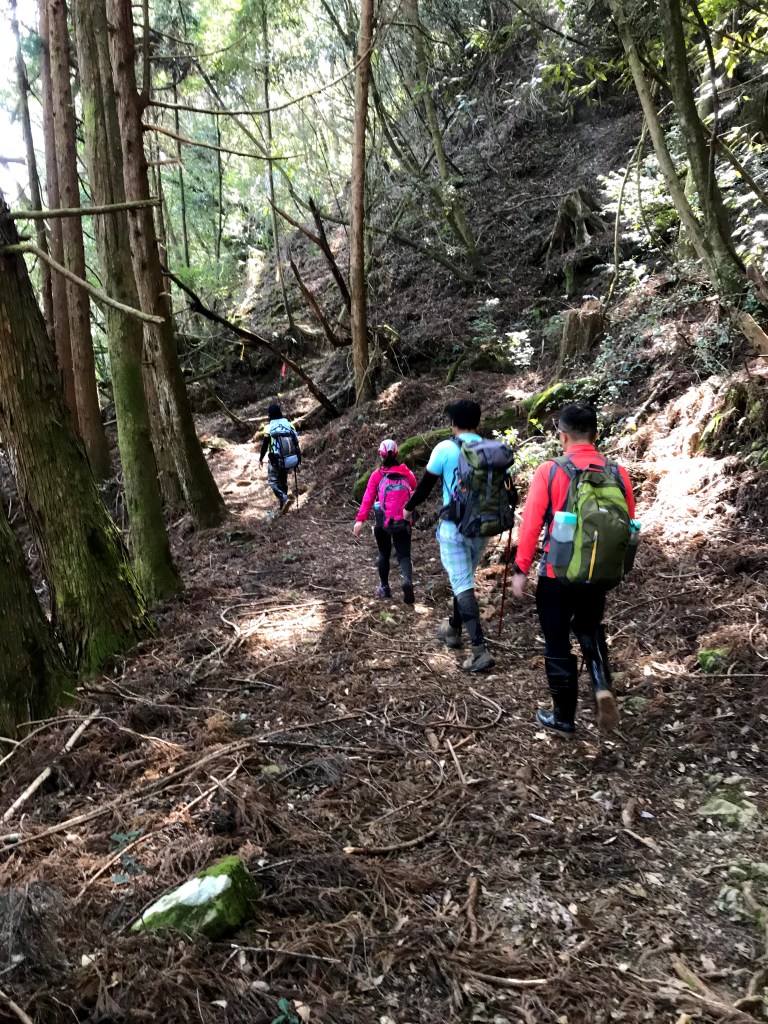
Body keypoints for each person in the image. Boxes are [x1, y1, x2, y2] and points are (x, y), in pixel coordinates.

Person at [511, 402, 636, 733]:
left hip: (557, 573)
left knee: (556, 640)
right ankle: (601, 684)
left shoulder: (550, 471)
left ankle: (563, 717)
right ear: (596, 435)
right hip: (597, 572)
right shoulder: (617, 473)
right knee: (590, 627)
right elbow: (628, 523)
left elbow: (531, 525)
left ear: (562, 436)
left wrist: (521, 569)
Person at [403, 399, 495, 673]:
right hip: (483, 527)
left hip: (455, 528)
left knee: (463, 583)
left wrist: (408, 508)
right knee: (462, 579)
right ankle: (453, 628)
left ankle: (479, 650)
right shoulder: (492, 449)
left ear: (453, 424)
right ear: (477, 422)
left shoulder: (445, 448)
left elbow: (425, 487)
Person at [354, 440, 417, 604]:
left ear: (380, 455)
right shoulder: (406, 472)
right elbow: (415, 489)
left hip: (383, 522)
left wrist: (360, 520)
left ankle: (384, 588)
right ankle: (407, 580)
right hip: (403, 521)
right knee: (404, 555)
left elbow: (368, 498)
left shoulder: (377, 475)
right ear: (397, 453)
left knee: (384, 554)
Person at [258, 403, 299, 513]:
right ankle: (282, 507)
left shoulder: (269, 427)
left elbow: (265, 445)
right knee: (283, 481)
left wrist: (261, 458)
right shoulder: (289, 425)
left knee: (272, 481)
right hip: (288, 458)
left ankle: (283, 497)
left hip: (275, 460)